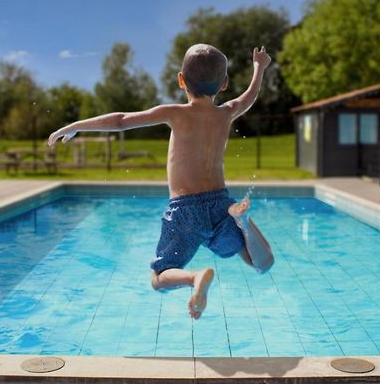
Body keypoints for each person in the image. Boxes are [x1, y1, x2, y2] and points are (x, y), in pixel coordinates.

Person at [48, 44, 275, 319]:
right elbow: (249, 97)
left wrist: (75, 126)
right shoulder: (225, 113)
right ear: (224, 83)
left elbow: (121, 121)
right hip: (221, 205)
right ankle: (244, 222)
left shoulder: (175, 113)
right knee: (261, 263)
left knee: (159, 277)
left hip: (185, 210)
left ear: (181, 80)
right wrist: (259, 67)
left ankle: (195, 277)